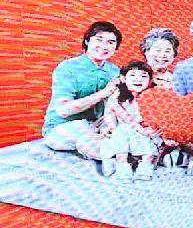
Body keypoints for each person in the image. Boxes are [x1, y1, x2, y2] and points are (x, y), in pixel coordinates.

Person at [42, 21, 122, 158]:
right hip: (64, 126)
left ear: (115, 48)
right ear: (87, 41)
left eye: (110, 42)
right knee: (88, 135)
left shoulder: (115, 71)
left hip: (97, 125)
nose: (104, 46)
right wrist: (103, 93)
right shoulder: (68, 68)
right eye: (99, 40)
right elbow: (63, 110)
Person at [100, 60, 158, 181]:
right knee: (120, 135)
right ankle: (122, 164)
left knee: (148, 141)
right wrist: (110, 127)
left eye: (143, 76)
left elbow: (157, 115)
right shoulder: (117, 96)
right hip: (124, 128)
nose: (138, 79)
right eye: (133, 75)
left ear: (150, 80)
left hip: (145, 131)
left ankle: (145, 164)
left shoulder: (153, 96)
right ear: (123, 78)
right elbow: (114, 115)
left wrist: (150, 129)